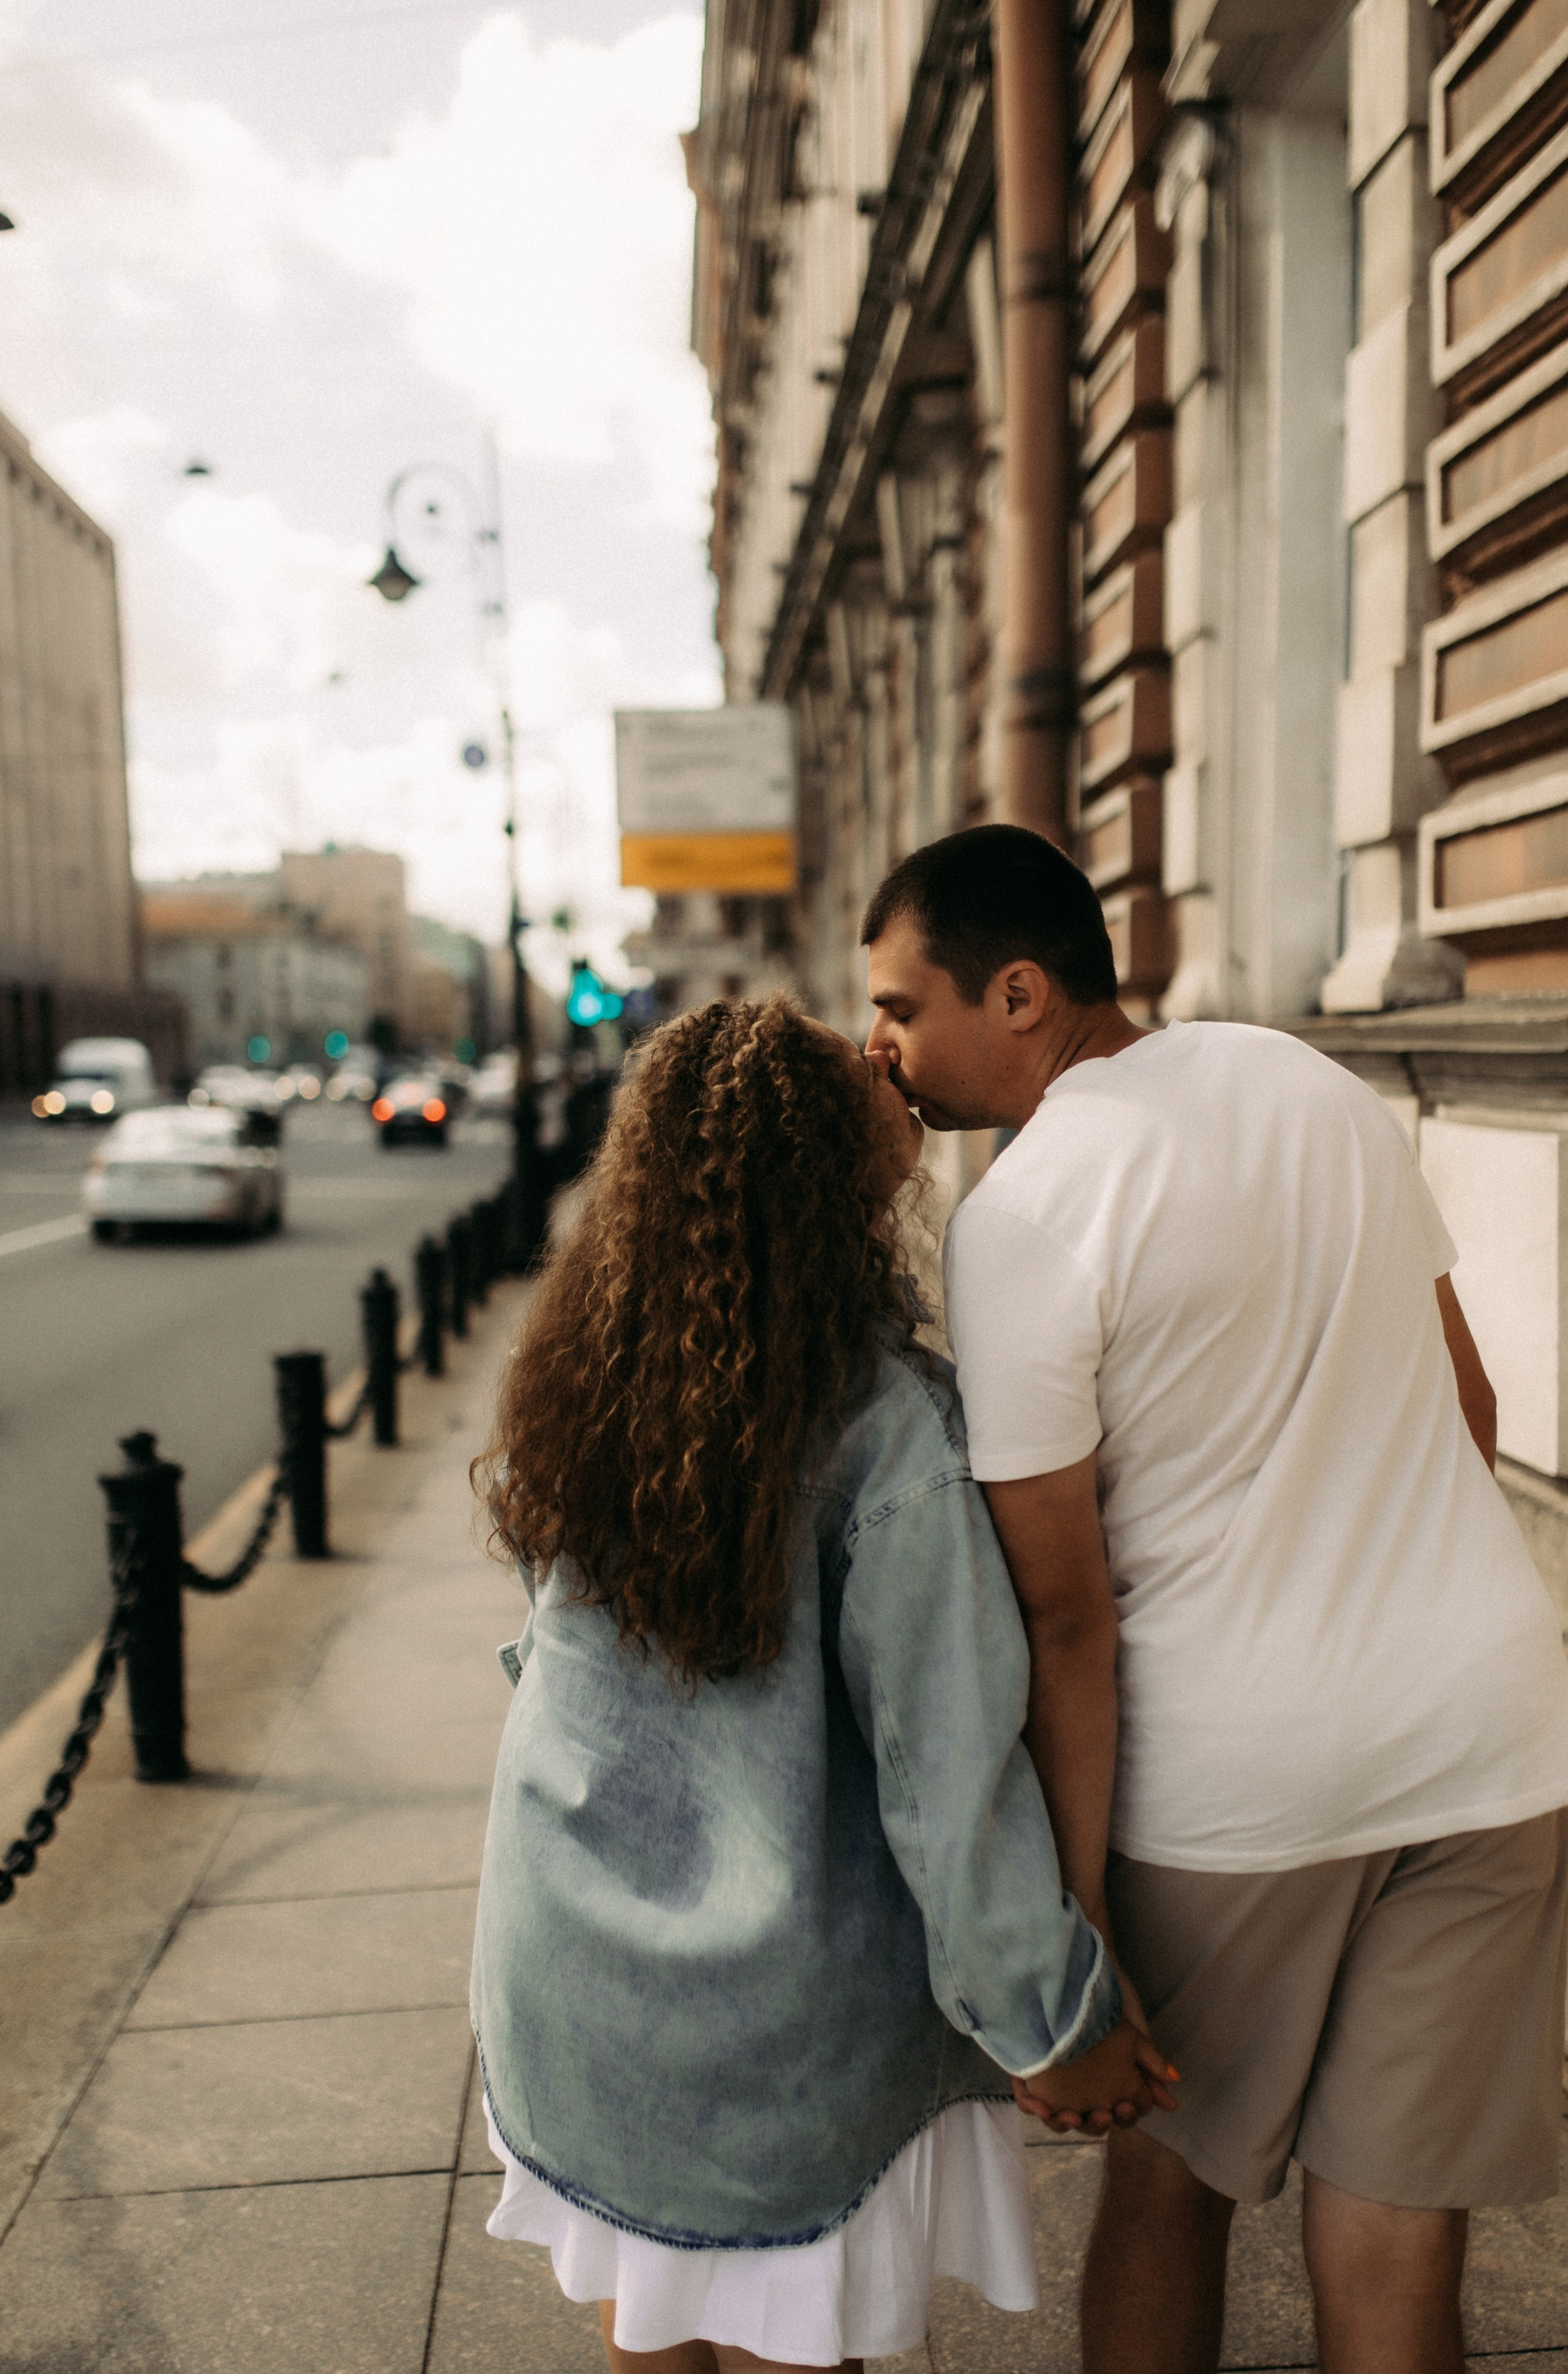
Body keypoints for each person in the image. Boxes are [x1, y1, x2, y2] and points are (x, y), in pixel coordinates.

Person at [861, 823, 1568, 2374]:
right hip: (1490, 1736)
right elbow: (1466, 1405)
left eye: (904, 1009)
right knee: (1395, 2224)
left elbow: (1063, 1617)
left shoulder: (1026, 1214)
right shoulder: (1313, 1084)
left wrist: (1075, 1908)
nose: (881, 1047)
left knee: (1168, 2187)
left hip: (1238, 1785)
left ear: (1021, 993)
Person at [469, 994, 1175, 2374]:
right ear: (823, 1165)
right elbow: (946, 1770)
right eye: (850, 1061)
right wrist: (1050, 2016)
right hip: (773, 2021)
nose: (883, 1058)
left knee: (652, 2319)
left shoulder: (593, 1369)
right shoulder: (885, 1430)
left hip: (571, 1968)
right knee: (798, 2346)